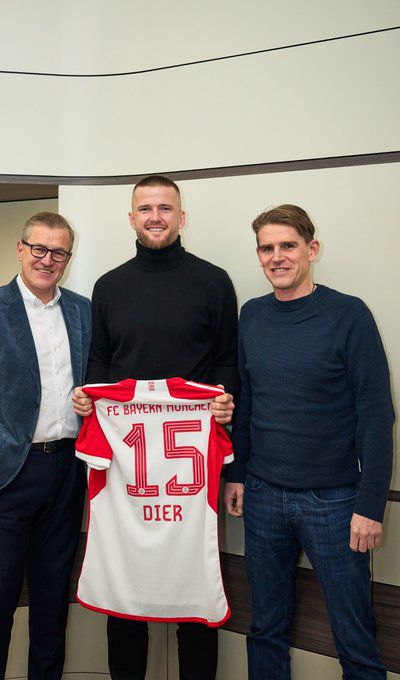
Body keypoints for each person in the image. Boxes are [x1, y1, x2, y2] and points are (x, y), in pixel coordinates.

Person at [73, 175, 238, 680]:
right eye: (145, 208)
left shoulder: (214, 281)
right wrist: (89, 399)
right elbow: (100, 363)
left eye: (165, 208)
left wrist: (224, 401)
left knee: (194, 583)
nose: (155, 216)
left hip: (191, 464)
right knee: (126, 586)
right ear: (132, 219)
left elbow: (227, 361)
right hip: (128, 464)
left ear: (181, 217)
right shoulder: (109, 286)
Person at [224, 204, 394, 679]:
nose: (277, 257)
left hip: (335, 502)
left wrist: (370, 505)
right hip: (263, 497)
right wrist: (237, 474)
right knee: (265, 629)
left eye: (288, 246)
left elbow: (377, 415)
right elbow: (248, 402)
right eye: (267, 248)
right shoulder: (252, 315)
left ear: (311, 249)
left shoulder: (348, 314)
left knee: (354, 638)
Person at [0, 212, 90, 680]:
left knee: (52, 602)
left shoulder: (82, 310)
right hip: (4, 474)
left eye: (59, 252)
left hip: (66, 472)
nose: (48, 260)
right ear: (21, 249)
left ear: (68, 257)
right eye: (39, 249)